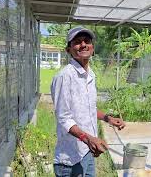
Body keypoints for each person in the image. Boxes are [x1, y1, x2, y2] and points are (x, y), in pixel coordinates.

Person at [51, 26, 126, 177]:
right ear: (68, 49)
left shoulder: (90, 75)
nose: (83, 44)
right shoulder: (65, 77)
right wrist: (87, 138)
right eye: (77, 42)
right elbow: (64, 118)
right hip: (70, 160)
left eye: (87, 41)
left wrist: (108, 119)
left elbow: (89, 108)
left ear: (92, 48)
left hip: (87, 152)